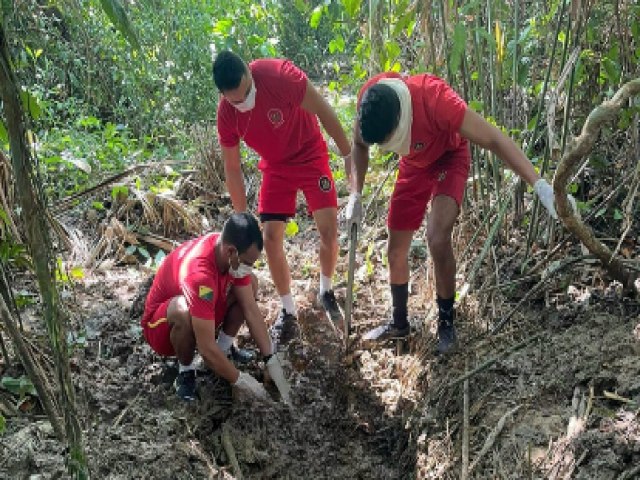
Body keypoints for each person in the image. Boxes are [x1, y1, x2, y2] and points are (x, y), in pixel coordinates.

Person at [347, 72, 567, 354]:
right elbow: (358, 145)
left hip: (448, 158)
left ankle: (446, 322)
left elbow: (494, 140)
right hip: (414, 165)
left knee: (437, 238)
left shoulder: (434, 99)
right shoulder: (369, 102)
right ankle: (399, 323)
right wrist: (355, 193)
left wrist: (539, 185)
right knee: (395, 249)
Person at [213, 51, 352, 345]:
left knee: (328, 229)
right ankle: (288, 311)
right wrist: (241, 219)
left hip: (310, 152)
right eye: (235, 100)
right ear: (224, 96)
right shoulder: (226, 114)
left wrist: (348, 154)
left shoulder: (280, 77)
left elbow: (325, 111)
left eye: (247, 93)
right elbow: (233, 167)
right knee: (271, 238)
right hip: (276, 166)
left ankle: (326, 290)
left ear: (250, 75)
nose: (243, 103)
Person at [141, 212, 290, 403]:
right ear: (230, 252)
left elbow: (250, 309)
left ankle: (224, 349)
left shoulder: (228, 252)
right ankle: (185, 372)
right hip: (161, 328)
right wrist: (241, 381)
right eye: (246, 263)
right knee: (182, 311)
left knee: (250, 283)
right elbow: (205, 349)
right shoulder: (200, 274)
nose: (247, 268)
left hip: (202, 308)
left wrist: (271, 359)